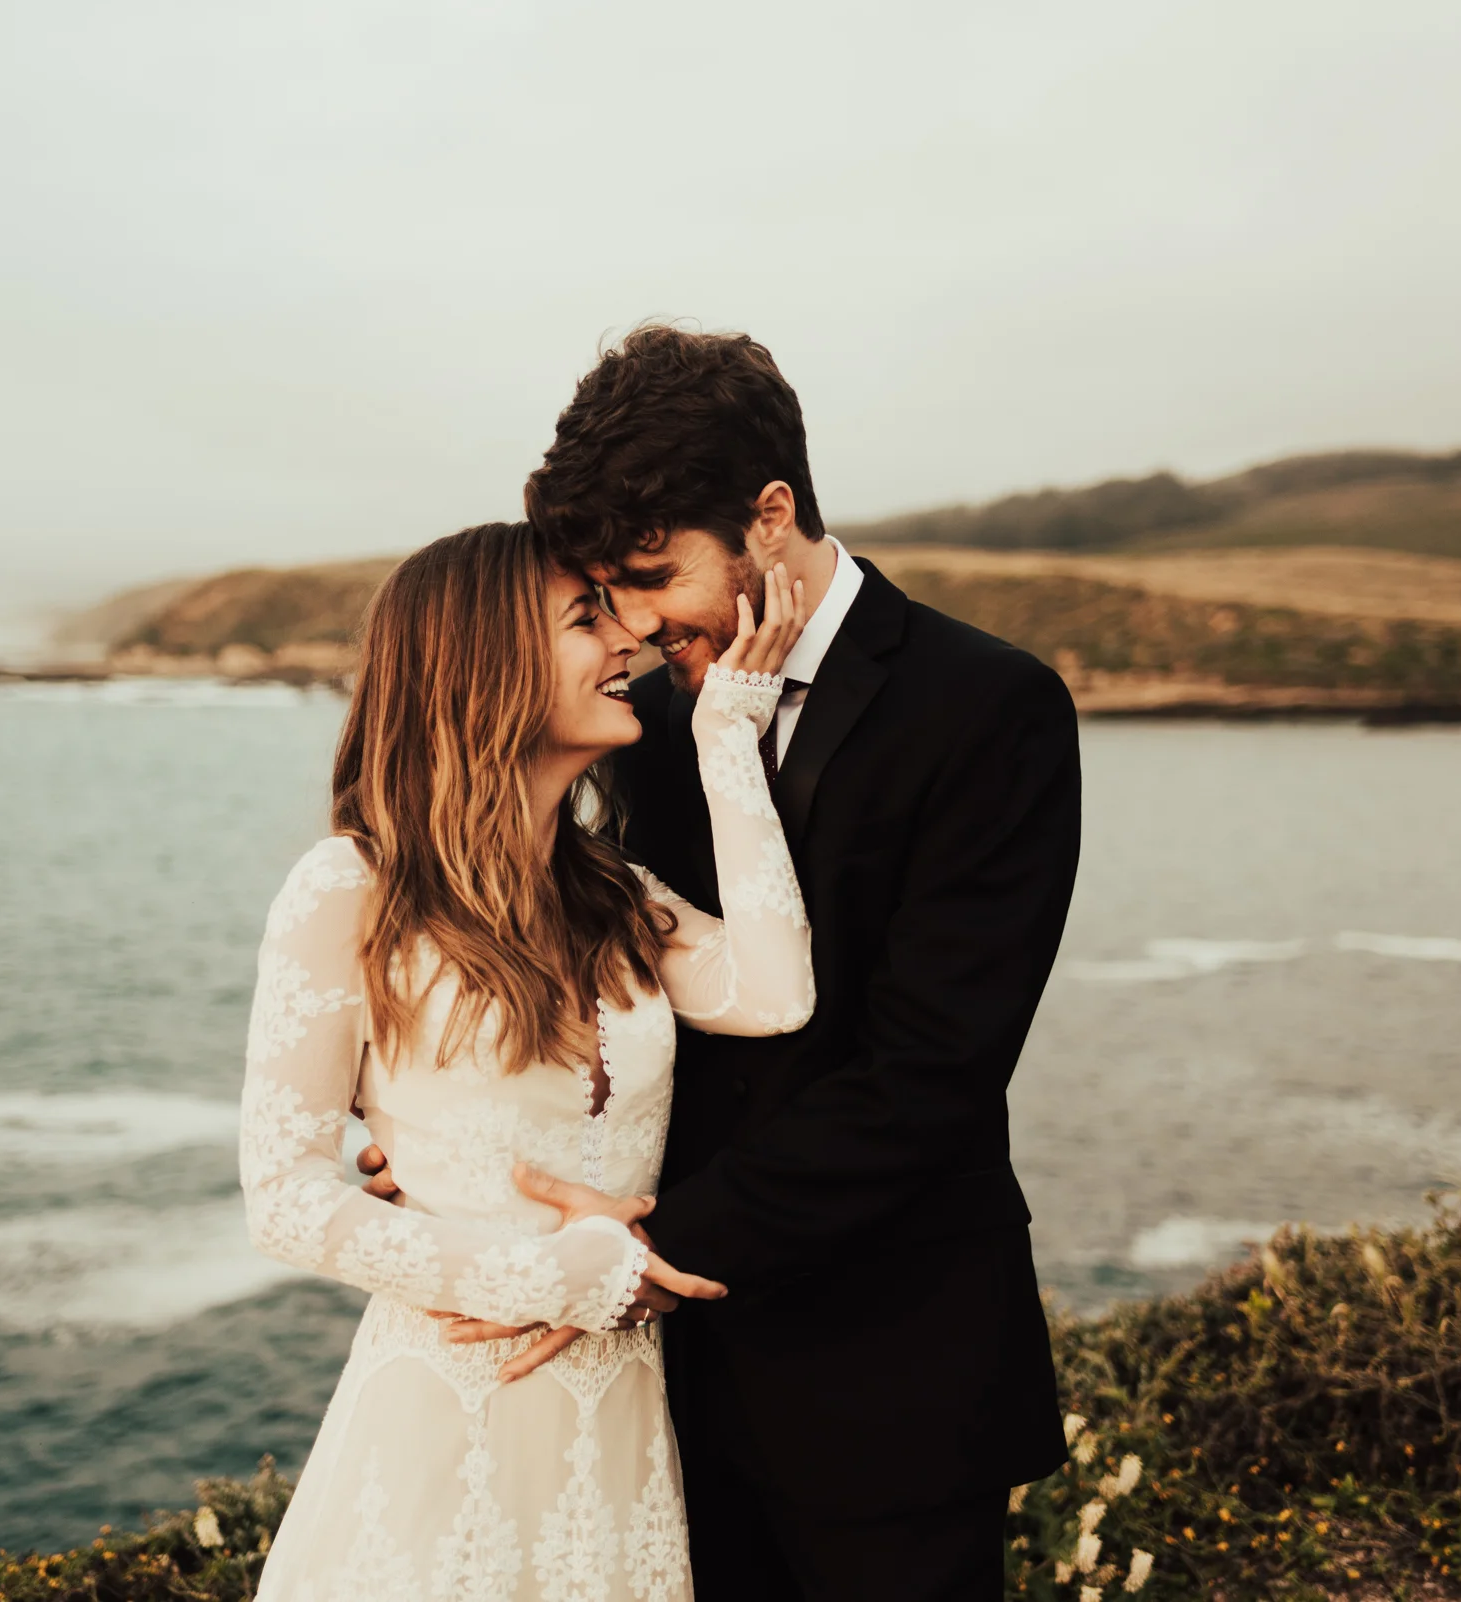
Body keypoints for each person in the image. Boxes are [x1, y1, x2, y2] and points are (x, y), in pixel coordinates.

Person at [397, 326, 1084, 1601]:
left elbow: (931, 1072)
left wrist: (647, 1257)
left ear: (770, 517)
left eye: (655, 575)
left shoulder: (991, 706)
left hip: (892, 1367)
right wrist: (445, 1137)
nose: (637, 623)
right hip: (664, 1395)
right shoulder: (647, 718)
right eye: (610, 592)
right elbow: (593, 970)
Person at [238, 520, 816, 1602]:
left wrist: (728, 737)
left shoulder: (615, 891)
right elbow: (284, 1198)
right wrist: (555, 1277)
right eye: (586, 619)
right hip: (444, 1428)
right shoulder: (350, 888)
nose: (628, 642)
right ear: (488, 664)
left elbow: (776, 995)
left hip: (618, 1435)